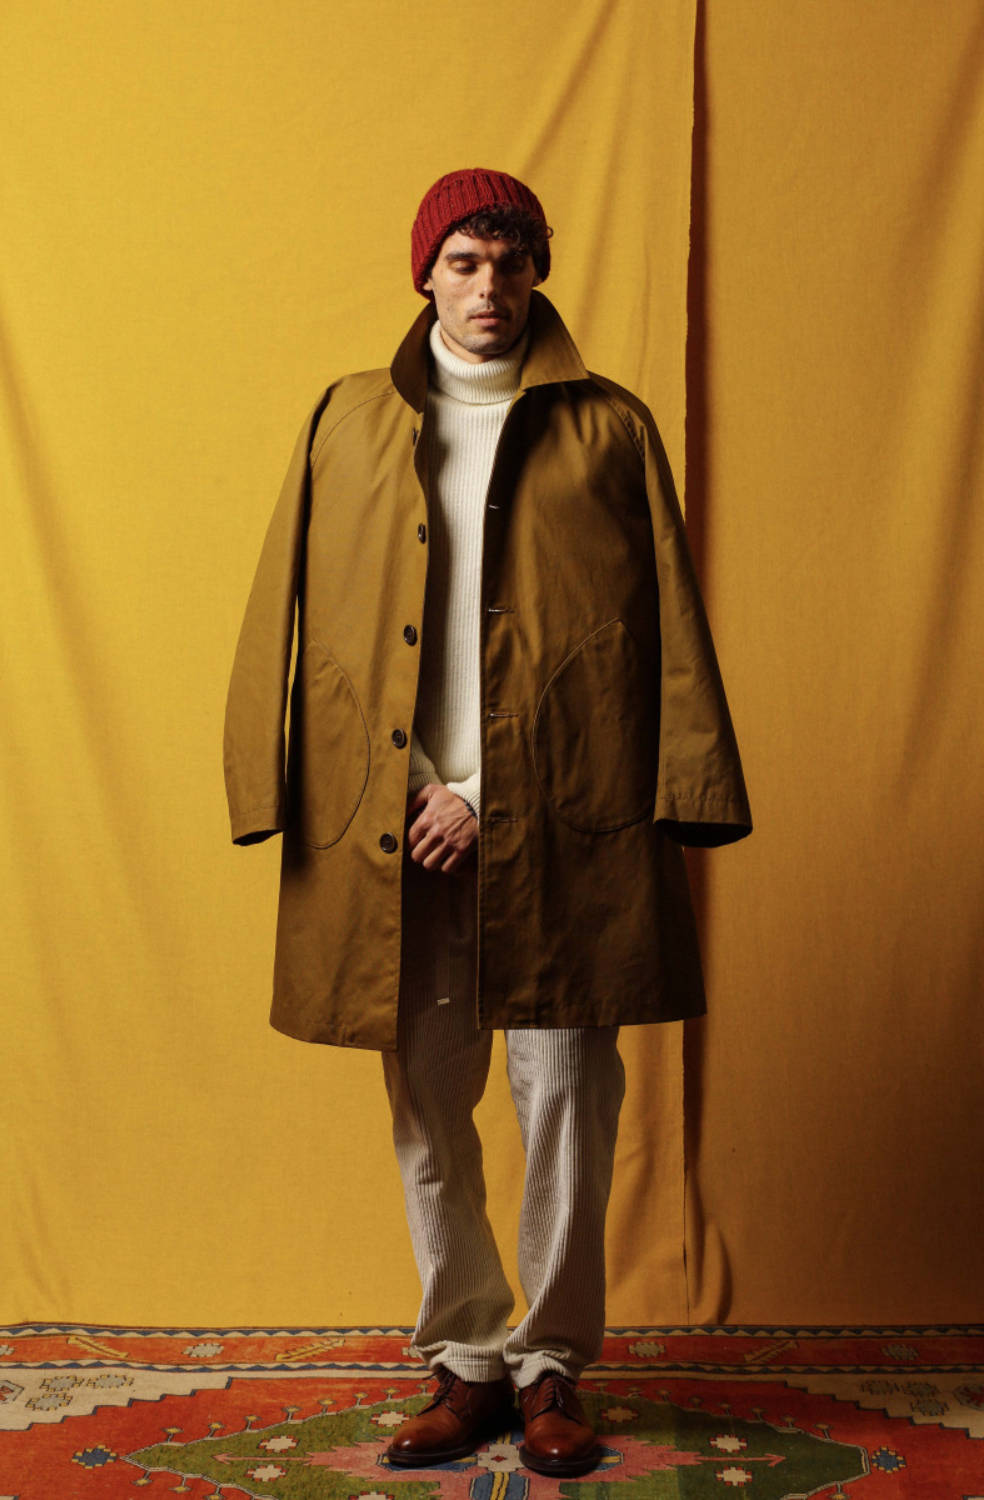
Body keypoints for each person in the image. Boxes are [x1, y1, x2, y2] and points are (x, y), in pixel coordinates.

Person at [223, 168, 751, 1476]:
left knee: (568, 1091)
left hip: (565, 819)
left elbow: (665, 627)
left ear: (538, 274)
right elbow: (285, 609)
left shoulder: (609, 427)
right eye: (465, 261)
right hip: (390, 828)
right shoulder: (345, 420)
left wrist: (510, 795)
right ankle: (465, 1359)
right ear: (426, 274)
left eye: (513, 262)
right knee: (427, 1094)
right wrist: (316, 785)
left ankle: (551, 1361)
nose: (490, 287)